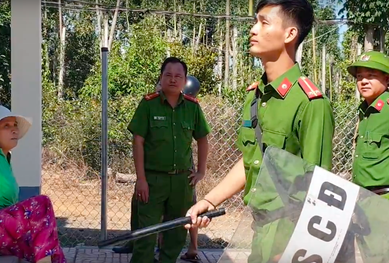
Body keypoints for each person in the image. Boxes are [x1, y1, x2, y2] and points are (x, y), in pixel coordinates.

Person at [184, 0, 335, 262]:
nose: (253, 29)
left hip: (289, 239)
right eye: (255, 21)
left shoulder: (310, 103)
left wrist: (292, 248)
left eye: (264, 22)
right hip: (259, 228)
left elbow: (319, 188)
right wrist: (209, 201)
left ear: (290, 34)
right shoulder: (255, 96)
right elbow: (252, 159)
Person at [128, 57, 210, 263]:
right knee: (145, 234)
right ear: (161, 78)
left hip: (182, 182)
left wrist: (201, 171)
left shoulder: (192, 108)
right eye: (168, 75)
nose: (173, 79)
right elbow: (137, 142)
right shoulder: (148, 104)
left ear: (184, 80)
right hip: (153, 182)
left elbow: (202, 139)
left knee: (176, 234)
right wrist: (141, 179)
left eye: (178, 76)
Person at [0, 104, 66, 263]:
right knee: (41, 203)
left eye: (15, 125)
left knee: (51, 249)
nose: (14, 129)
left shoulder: (4, 158)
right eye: (6, 126)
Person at [347, 51, 389, 261]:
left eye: (371, 75)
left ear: (387, 79)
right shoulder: (365, 111)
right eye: (359, 77)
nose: (363, 81)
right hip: (364, 202)